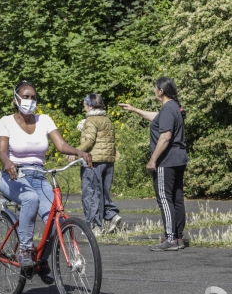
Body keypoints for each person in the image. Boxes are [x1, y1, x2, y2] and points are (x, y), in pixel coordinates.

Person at [0, 80, 93, 281]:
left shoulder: (45, 120)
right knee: (30, 198)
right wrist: (7, 162)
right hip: (13, 175)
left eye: (33, 97)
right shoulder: (6, 121)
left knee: (56, 217)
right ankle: (24, 249)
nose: (29, 101)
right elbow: (2, 151)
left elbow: (61, 145)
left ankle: (41, 260)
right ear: (16, 99)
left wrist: (79, 152)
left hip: (39, 175)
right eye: (25, 97)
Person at [119, 76, 188, 251]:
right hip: (179, 159)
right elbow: (156, 118)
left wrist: (153, 160)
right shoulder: (173, 107)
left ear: (161, 91)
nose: (154, 90)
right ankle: (178, 237)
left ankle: (170, 239)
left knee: (165, 198)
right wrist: (134, 110)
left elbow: (165, 137)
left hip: (167, 160)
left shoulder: (167, 109)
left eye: (155, 88)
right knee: (176, 198)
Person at [68, 94, 122, 236]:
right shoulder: (106, 119)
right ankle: (111, 215)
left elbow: (90, 141)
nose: (83, 106)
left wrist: (75, 152)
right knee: (102, 192)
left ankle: (94, 226)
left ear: (90, 105)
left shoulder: (91, 120)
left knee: (90, 193)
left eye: (84, 104)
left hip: (94, 161)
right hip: (108, 161)